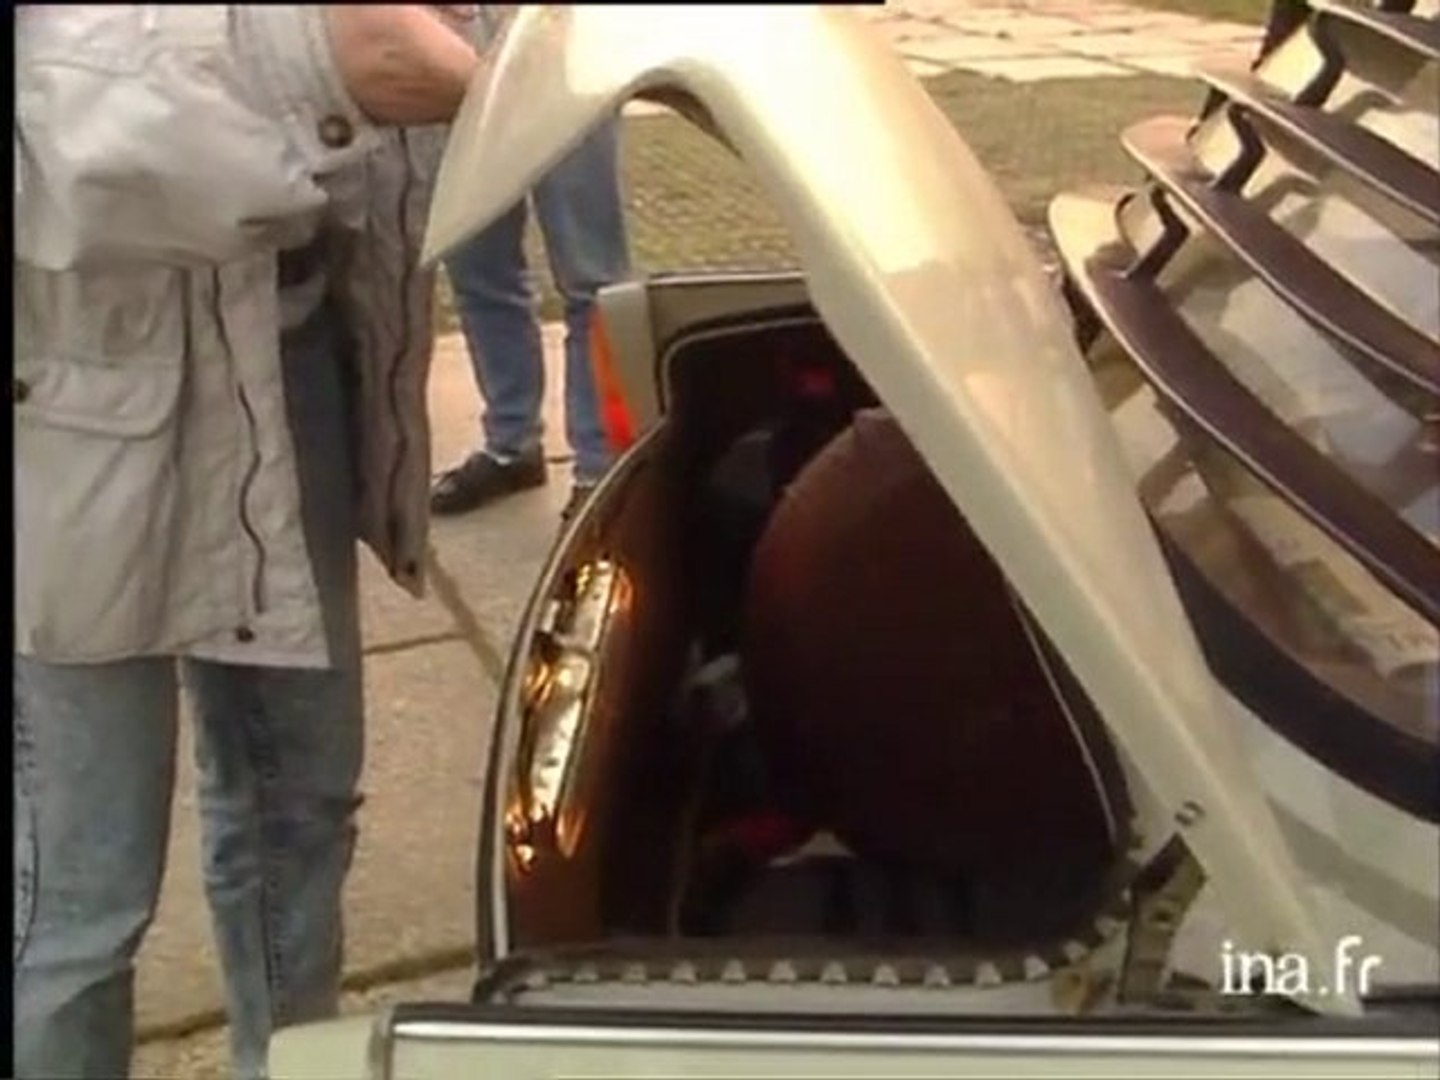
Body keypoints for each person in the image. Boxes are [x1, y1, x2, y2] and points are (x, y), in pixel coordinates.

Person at [13, 7, 480, 1078]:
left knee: (301, 809)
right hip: (71, 410)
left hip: (289, 359)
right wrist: (308, 65)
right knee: (80, 889)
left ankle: (288, 1059)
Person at [430, 35, 631, 521]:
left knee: (591, 281)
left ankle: (597, 471)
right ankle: (512, 446)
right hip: (458, 62)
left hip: (567, 58)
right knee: (478, 270)